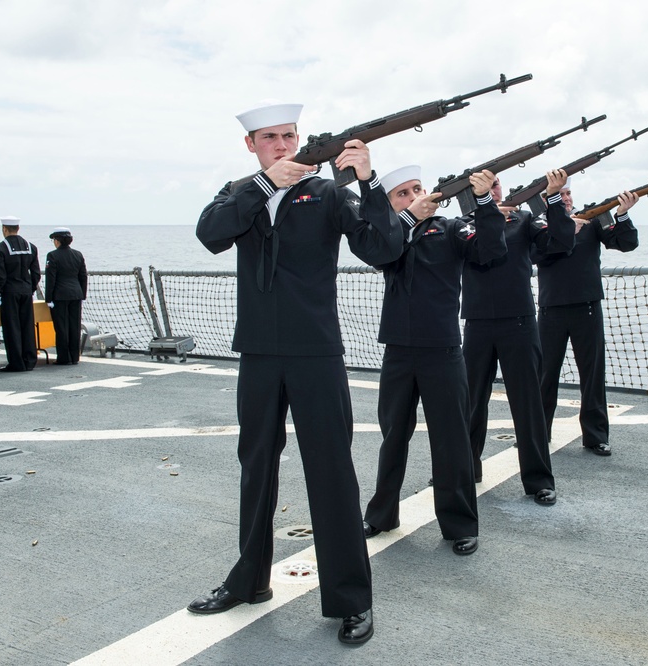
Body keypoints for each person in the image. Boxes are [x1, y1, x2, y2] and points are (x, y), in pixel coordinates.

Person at [192, 102, 402, 646]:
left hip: (315, 353)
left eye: (289, 136)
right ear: (252, 146)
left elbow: (383, 248)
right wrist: (263, 185)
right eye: (270, 138)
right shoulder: (240, 191)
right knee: (255, 467)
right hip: (260, 353)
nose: (282, 145)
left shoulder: (329, 193)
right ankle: (248, 581)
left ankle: (351, 600)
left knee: (331, 473)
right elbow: (210, 234)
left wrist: (369, 180)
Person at [362, 165, 504, 557]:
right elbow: (380, 253)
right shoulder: (389, 236)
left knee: (452, 440)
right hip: (398, 351)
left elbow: (490, 250)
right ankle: (381, 514)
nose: (413, 197)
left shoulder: (452, 228)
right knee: (393, 436)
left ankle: (460, 524)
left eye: (417, 189)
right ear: (392, 205)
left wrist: (483, 201)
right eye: (402, 194)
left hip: (441, 350)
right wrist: (407, 219)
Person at [461, 171, 575, 505]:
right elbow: (483, 251)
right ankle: (466, 468)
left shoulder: (526, 220)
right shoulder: (464, 226)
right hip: (478, 323)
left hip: (520, 323)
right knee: (469, 404)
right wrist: (486, 211)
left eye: (496, 184)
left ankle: (539, 478)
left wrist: (553, 197)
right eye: (486, 185)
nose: (494, 189)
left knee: (528, 405)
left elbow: (560, 242)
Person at [535, 179, 640, 456]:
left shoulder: (593, 221)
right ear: (546, 201)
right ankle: (537, 434)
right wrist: (567, 228)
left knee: (592, 376)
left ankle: (595, 437)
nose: (567, 198)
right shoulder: (538, 228)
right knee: (544, 376)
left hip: (587, 308)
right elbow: (540, 255)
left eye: (568, 193)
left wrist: (623, 215)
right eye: (560, 195)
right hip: (551, 310)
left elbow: (626, 243)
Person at [0, 216, 41, 372]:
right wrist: (31, 288)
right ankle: (30, 360)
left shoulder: (0, 248)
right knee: (27, 326)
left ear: (4, 229)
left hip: (9, 291)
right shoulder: (31, 247)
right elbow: (35, 272)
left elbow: (0, 273)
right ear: (18, 228)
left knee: (12, 327)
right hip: (26, 291)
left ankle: (16, 362)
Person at [44, 227, 87, 365]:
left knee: (61, 327)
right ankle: (75, 356)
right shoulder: (78, 255)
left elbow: (51, 279)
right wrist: (82, 294)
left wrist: (48, 299)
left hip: (60, 296)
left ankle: (63, 357)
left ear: (57, 241)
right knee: (74, 326)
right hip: (76, 294)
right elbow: (83, 277)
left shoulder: (52, 256)